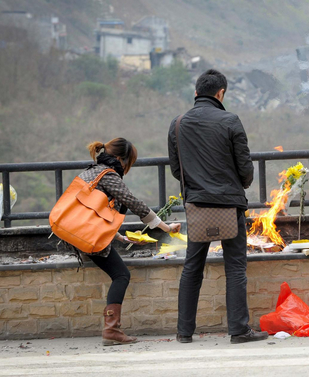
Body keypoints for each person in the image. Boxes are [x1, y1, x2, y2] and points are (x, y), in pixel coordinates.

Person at [168, 69, 268, 344]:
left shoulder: (177, 124)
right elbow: (245, 169)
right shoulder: (230, 120)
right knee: (235, 267)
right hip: (228, 204)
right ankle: (239, 330)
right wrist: (236, 184)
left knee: (192, 266)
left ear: (196, 93)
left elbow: (178, 171)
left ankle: (184, 332)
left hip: (197, 205)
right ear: (221, 93)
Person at [80, 138, 181, 346]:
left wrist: (121, 238)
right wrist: (166, 227)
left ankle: (112, 330)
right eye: (128, 163)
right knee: (121, 275)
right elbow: (134, 203)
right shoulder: (108, 175)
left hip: (80, 233)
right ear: (119, 159)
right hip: (89, 237)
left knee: (119, 273)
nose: (127, 168)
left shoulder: (90, 171)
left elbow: (95, 213)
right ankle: (111, 330)